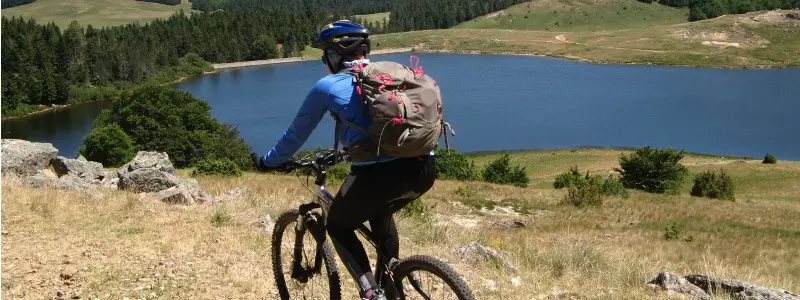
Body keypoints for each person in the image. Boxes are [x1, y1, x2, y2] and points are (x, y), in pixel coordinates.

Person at [254, 20, 436, 300]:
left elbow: (295, 135)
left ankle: (371, 293)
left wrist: (268, 162)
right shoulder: (394, 74)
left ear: (334, 55)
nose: (323, 61)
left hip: (376, 177)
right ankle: (391, 283)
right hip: (423, 168)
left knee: (338, 225)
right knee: (380, 211)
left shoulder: (327, 86)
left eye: (324, 54)